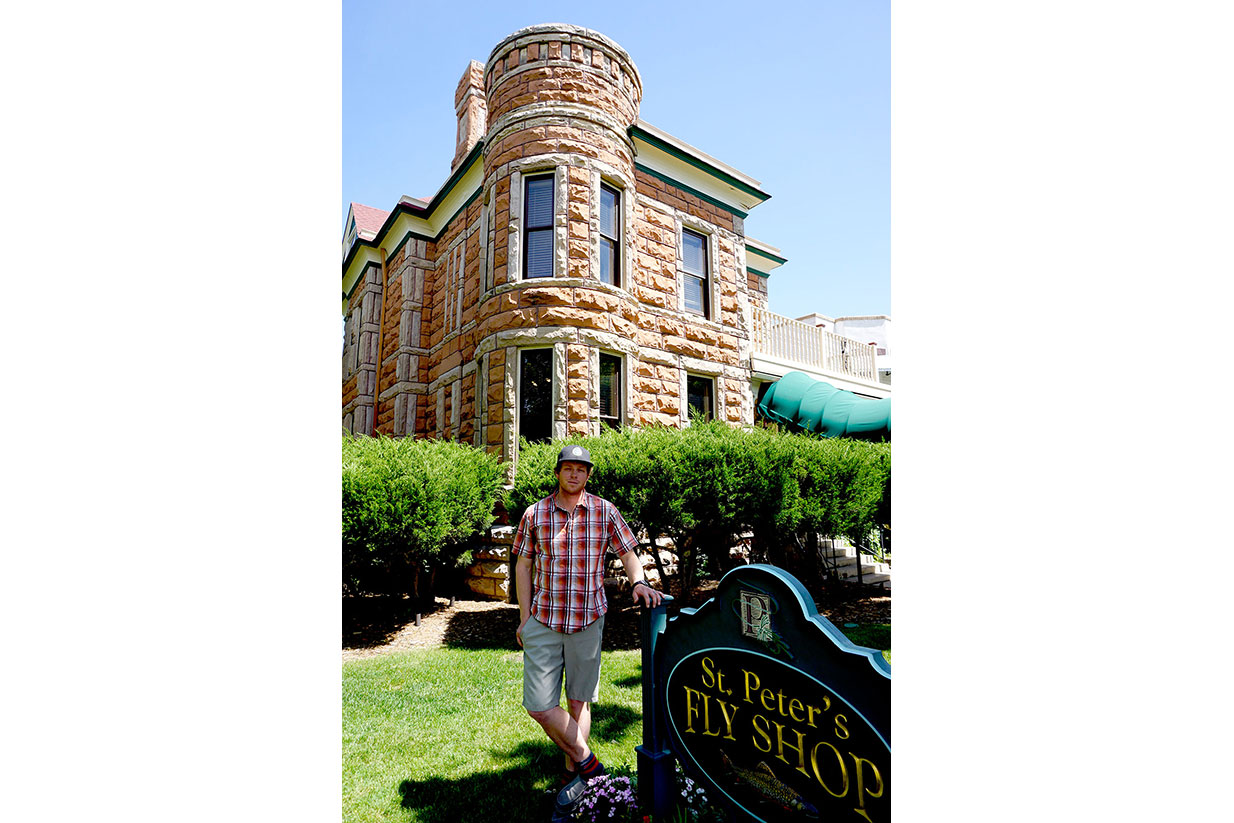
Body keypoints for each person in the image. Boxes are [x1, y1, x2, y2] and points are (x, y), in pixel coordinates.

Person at [512, 443, 664, 815]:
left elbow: (628, 551)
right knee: (540, 706)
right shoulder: (535, 514)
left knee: (578, 701)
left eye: (581, 469)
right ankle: (590, 765)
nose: (574, 474)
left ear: (588, 475)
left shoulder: (603, 511)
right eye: (568, 468)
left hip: (587, 620)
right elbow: (522, 565)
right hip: (544, 620)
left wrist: (638, 582)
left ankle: (572, 778)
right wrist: (524, 617)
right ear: (558, 472)